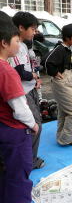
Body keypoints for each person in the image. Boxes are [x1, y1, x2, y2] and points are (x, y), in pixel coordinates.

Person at [0, 11, 39, 203]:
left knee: (6, 174)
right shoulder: (6, 70)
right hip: (14, 132)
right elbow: (20, 107)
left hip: (3, 127)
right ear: (4, 43)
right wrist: (33, 124)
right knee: (19, 176)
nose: (19, 45)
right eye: (16, 40)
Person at [8, 11, 44, 169]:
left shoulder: (24, 45)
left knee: (33, 123)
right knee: (35, 124)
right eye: (33, 29)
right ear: (21, 28)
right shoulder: (16, 46)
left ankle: (28, 157)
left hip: (30, 89)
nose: (35, 32)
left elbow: (29, 67)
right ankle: (30, 160)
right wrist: (33, 75)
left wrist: (35, 77)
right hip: (21, 93)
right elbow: (19, 72)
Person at [43, 24, 72, 146]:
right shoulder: (60, 48)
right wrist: (54, 73)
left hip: (67, 80)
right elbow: (46, 61)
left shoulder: (66, 48)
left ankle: (62, 135)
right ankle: (66, 139)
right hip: (62, 83)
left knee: (64, 110)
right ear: (67, 38)